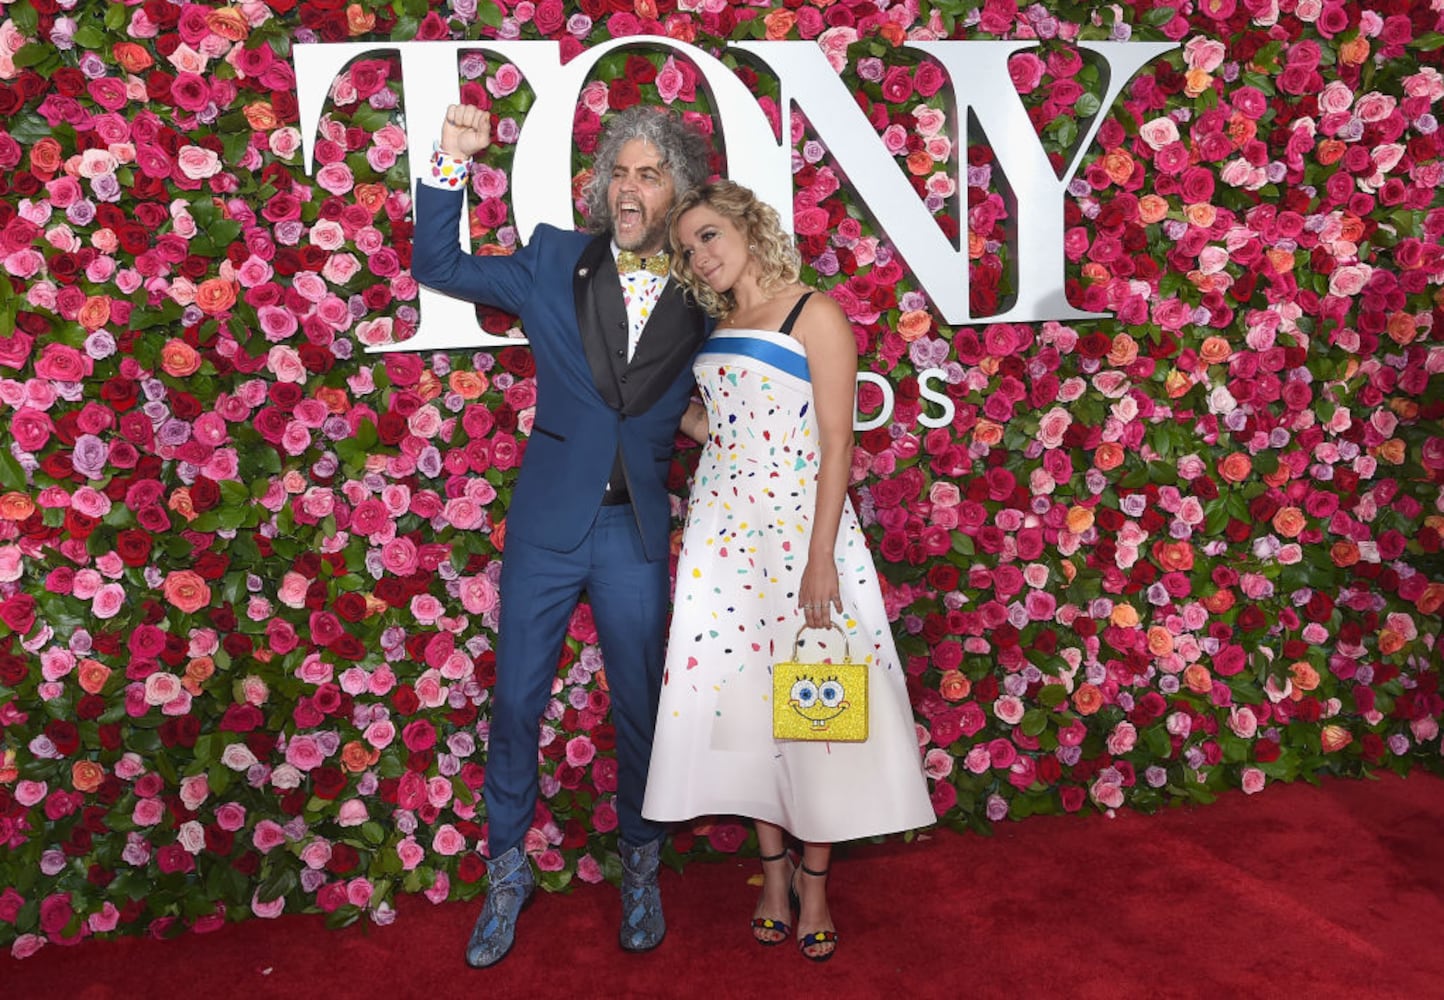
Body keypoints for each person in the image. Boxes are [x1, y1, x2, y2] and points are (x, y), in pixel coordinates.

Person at [411, 103, 713, 967]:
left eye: (650, 173)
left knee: (640, 711)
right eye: (620, 170)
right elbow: (439, 262)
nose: (630, 186)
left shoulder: (704, 291)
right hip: (546, 527)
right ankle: (508, 869)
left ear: (676, 189)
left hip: (635, 536)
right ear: (600, 184)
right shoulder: (552, 259)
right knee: (515, 703)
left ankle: (642, 865)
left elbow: (720, 388)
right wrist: (448, 161)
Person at [642, 180, 935, 962]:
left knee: (813, 709)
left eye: (708, 236)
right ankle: (771, 875)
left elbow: (838, 443)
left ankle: (814, 883)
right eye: (687, 249)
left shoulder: (816, 314)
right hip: (723, 538)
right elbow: (714, 422)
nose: (700, 257)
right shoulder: (721, 324)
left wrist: (820, 561)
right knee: (744, 708)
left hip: (802, 539)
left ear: (744, 226)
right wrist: (664, 402)